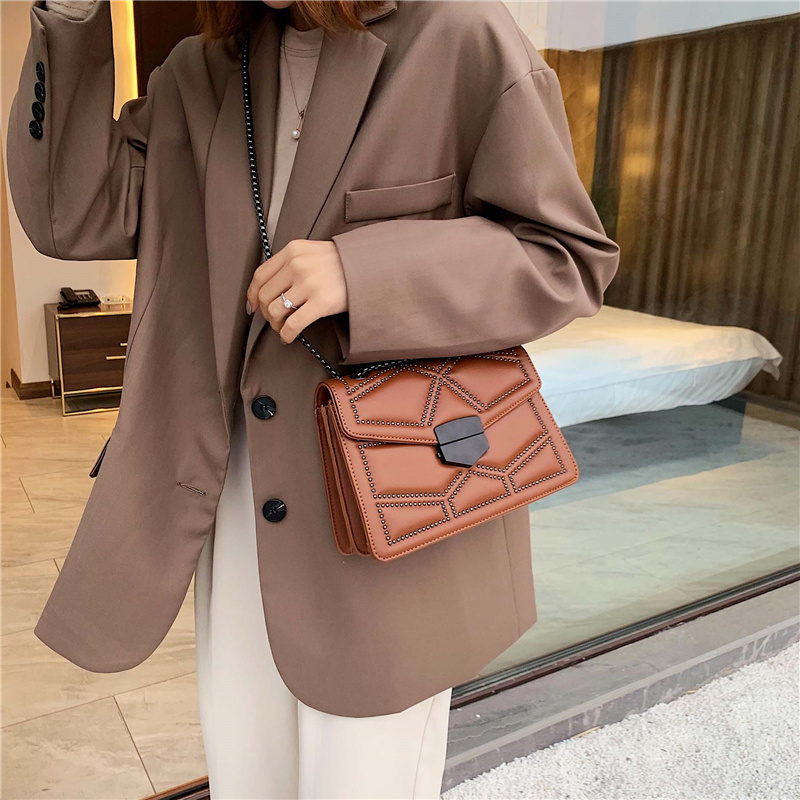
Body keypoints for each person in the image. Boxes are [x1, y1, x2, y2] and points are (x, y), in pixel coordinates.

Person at [7, 1, 620, 797]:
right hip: (232, 510)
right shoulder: (201, 71)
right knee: (248, 777)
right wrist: (70, 15)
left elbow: (565, 257)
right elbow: (72, 213)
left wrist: (363, 272)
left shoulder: (459, 34)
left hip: (392, 512)